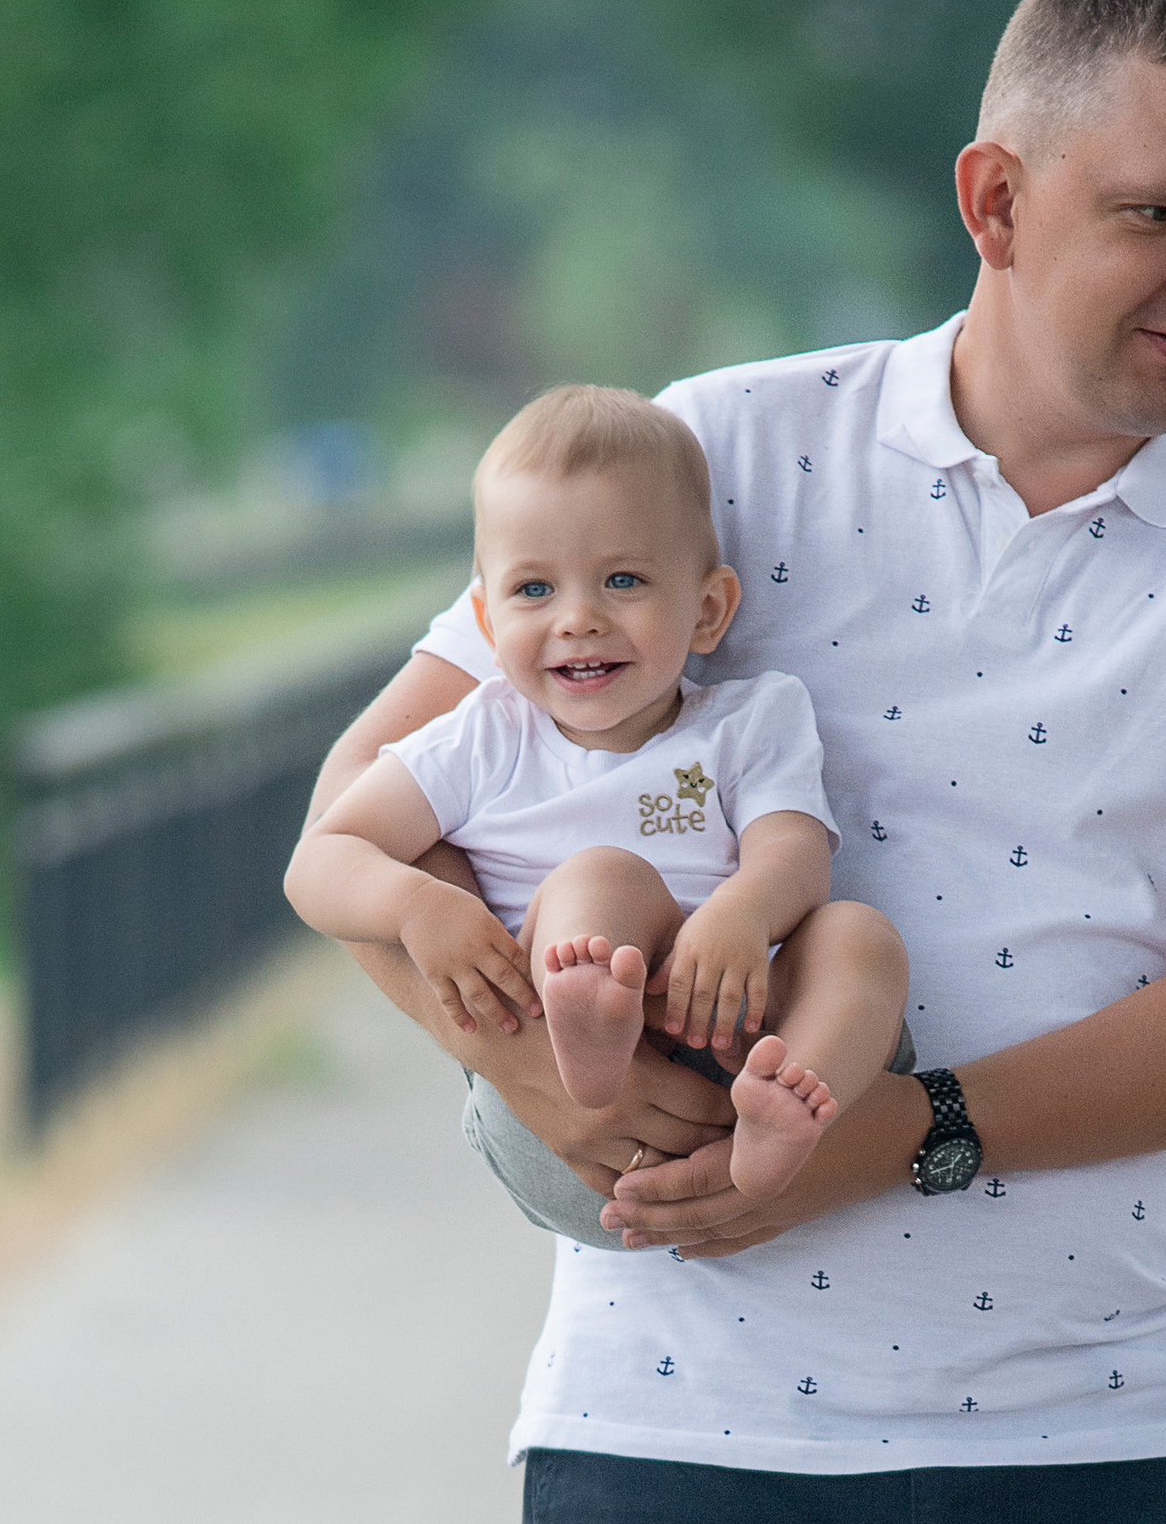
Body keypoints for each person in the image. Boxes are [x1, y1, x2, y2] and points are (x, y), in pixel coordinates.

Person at [306, 0, 1166, 1522]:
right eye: (1158, 218)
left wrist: (917, 1131)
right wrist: (526, 1063)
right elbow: (366, 808)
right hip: (674, 1434)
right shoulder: (722, 453)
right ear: (993, 202)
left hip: (1109, 1442)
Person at [286, 385, 910, 1228]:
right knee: (602, 878)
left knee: (858, 937)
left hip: (740, 1039)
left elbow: (794, 850)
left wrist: (740, 912)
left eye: (622, 580)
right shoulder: (485, 737)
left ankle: (789, 1106)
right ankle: (595, 1021)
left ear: (708, 609)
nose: (578, 619)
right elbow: (319, 861)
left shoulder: (750, 718)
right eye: (534, 590)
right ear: (484, 616)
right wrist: (417, 906)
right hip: (568, 1116)